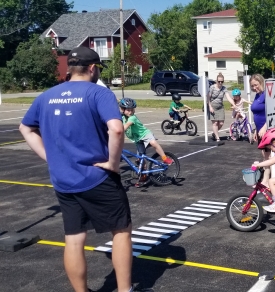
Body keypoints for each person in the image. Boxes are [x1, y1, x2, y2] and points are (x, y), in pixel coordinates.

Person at [19, 46, 133, 292]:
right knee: (121, 231)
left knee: (74, 237)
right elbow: (116, 129)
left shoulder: (46, 96)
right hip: (98, 176)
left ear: (70, 69)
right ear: (92, 68)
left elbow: (25, 128)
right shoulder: (98, 93)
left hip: (64, 180)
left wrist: (49, 157)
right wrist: (113, 164)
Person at [120, 97, 174, 187]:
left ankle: (165, 158)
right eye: (128, 110)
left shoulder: (132, 118)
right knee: (140, 160)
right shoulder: (122, 118)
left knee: (153, 143)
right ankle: (143, 176)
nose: (130, 112)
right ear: (123, 110)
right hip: (138, 140)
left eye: (131, 110)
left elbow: (125, 127)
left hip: (145, 135)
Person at [249, 74, 270, 184]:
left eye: (256, 85)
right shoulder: (257, 95)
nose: (254, 88)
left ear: (261, 82)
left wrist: (264, 128)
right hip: (260, 130)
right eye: (252, 86)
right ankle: (266, 177)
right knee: (264, 155)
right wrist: (256, 130)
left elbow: (272, 114)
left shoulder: (267, 94)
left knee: (267, 156)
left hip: (267, 130)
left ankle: (265, 180)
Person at [207, 73, 235, 141]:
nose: (220, 83)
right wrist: (210, 106)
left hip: (220, 107)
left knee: (221, 123)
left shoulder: (224, 88)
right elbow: (208, 97)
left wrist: (234, 104)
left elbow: (228, 97)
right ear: (216, 81)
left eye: (222, 81)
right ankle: (217, 137)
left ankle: (214, 132)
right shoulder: (212, 87)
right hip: (213, 107)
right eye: (219, 81)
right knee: (215, 123)